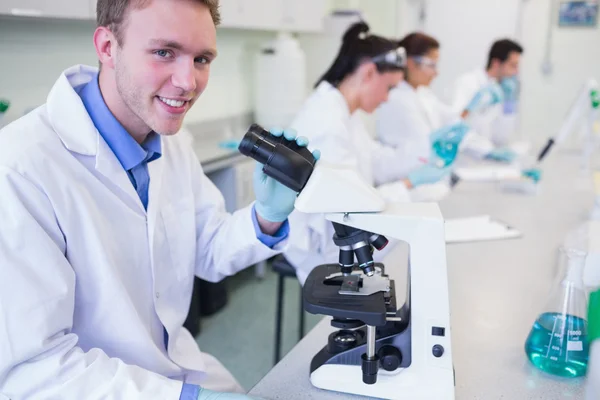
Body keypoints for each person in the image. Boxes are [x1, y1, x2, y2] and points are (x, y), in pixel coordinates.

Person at [0, 0, 319, 399]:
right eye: (164, 52)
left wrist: (267, 217)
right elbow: (35, 369)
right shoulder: (21, 167)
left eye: (202, 58)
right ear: (106, 46)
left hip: (176, 369)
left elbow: (209, 249)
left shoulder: (170, 142)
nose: (188, 81)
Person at [284, 22, 452, 285]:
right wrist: (409, 183)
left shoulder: (343, 111)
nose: (387, 99)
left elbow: (376, 159)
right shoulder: (328, 123)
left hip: (350, 225)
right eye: (388, 88)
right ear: (369, 73)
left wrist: (425, 147)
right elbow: (352, 209)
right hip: (329, 249)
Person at [376, 32, 515, 169]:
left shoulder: (423, 94)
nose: (436, 73)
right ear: (411, 63)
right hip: (410, 178)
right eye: (431, 65)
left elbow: (453, 122)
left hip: (430, 176)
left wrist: (488, 151)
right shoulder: (397, 99)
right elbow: (428, 144)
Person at [452, 38, 524, 161]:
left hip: (488, 160)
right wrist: (487, 151)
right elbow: (456, 127)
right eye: (513, 66)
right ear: (496, 63)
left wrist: (509, 104)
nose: (516, 72)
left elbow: (502, 137)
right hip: (466, 159)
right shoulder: (468, 83)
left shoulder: (501, 90)